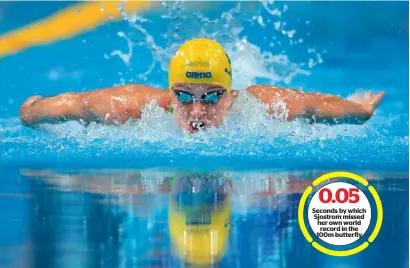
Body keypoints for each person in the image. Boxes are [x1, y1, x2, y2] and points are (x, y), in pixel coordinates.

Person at [19, 38, 385, 133]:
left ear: (229, 94)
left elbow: (315, 104)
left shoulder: (262, 106)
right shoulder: (130, 107)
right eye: (183, 97)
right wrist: (31, 111)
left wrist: (362, 111)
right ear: (170, 93)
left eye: (211, 97)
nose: (197, 111)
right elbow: (72, 103)